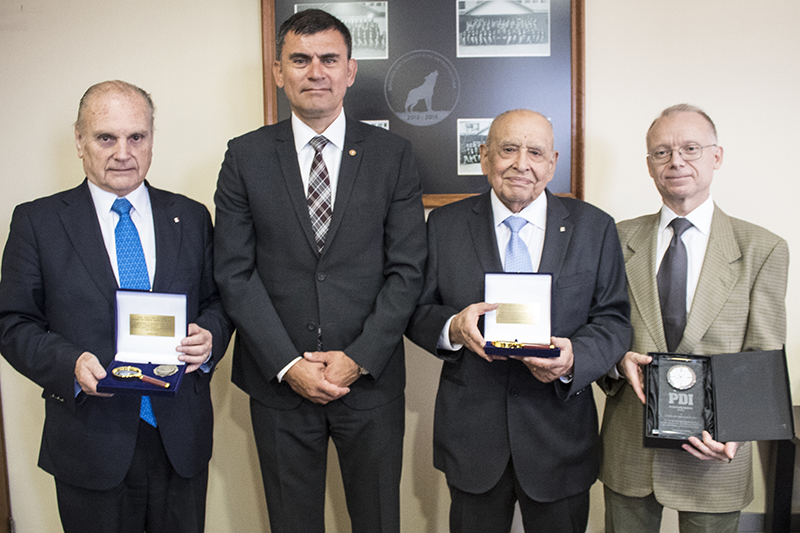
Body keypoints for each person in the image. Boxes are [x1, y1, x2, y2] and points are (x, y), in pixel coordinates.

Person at [213, 9, 426, 533]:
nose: (316, 72)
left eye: (329, 59)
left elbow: (407, 271)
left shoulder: (394, 156)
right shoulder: (244, 157)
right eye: (300, 60)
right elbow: (234, 273)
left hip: (369, 383)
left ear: (350, 71)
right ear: (278, 71)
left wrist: (357, 358)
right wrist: (289, 365)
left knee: (378, 522)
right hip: (280, 385)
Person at [0, 80, 234, 532]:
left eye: (136, 137)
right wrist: (69, 363)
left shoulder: (190, 216)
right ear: (79, 140)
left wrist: (210, 337)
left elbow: (218, 302)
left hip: (179, 438)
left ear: (151, 139)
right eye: (106, 137)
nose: (123, 153)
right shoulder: (37, 222)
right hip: (90, 441)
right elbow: (13, 322)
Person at [405, 109, 631, 533]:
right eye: (508, 149)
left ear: (553, 163)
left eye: (535, 152)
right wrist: (453, 328)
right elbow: (416, 310)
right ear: (484, 156)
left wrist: (574, 359)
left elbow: (614, 320)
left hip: (560, 442)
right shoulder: (444, 225)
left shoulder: (594, 227)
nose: (521, 164)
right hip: (473, 440)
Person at [599, 104, 789, 533]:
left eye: (690, 148)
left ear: (716, 156)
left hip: (715, 454)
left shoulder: (762, 248)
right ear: (649, 164)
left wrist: (736, 431)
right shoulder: (616, 239)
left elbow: (763, 353)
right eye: (662, 152)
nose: (676, 161)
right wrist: (617, 361)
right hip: (631, 451)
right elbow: (600, 329)